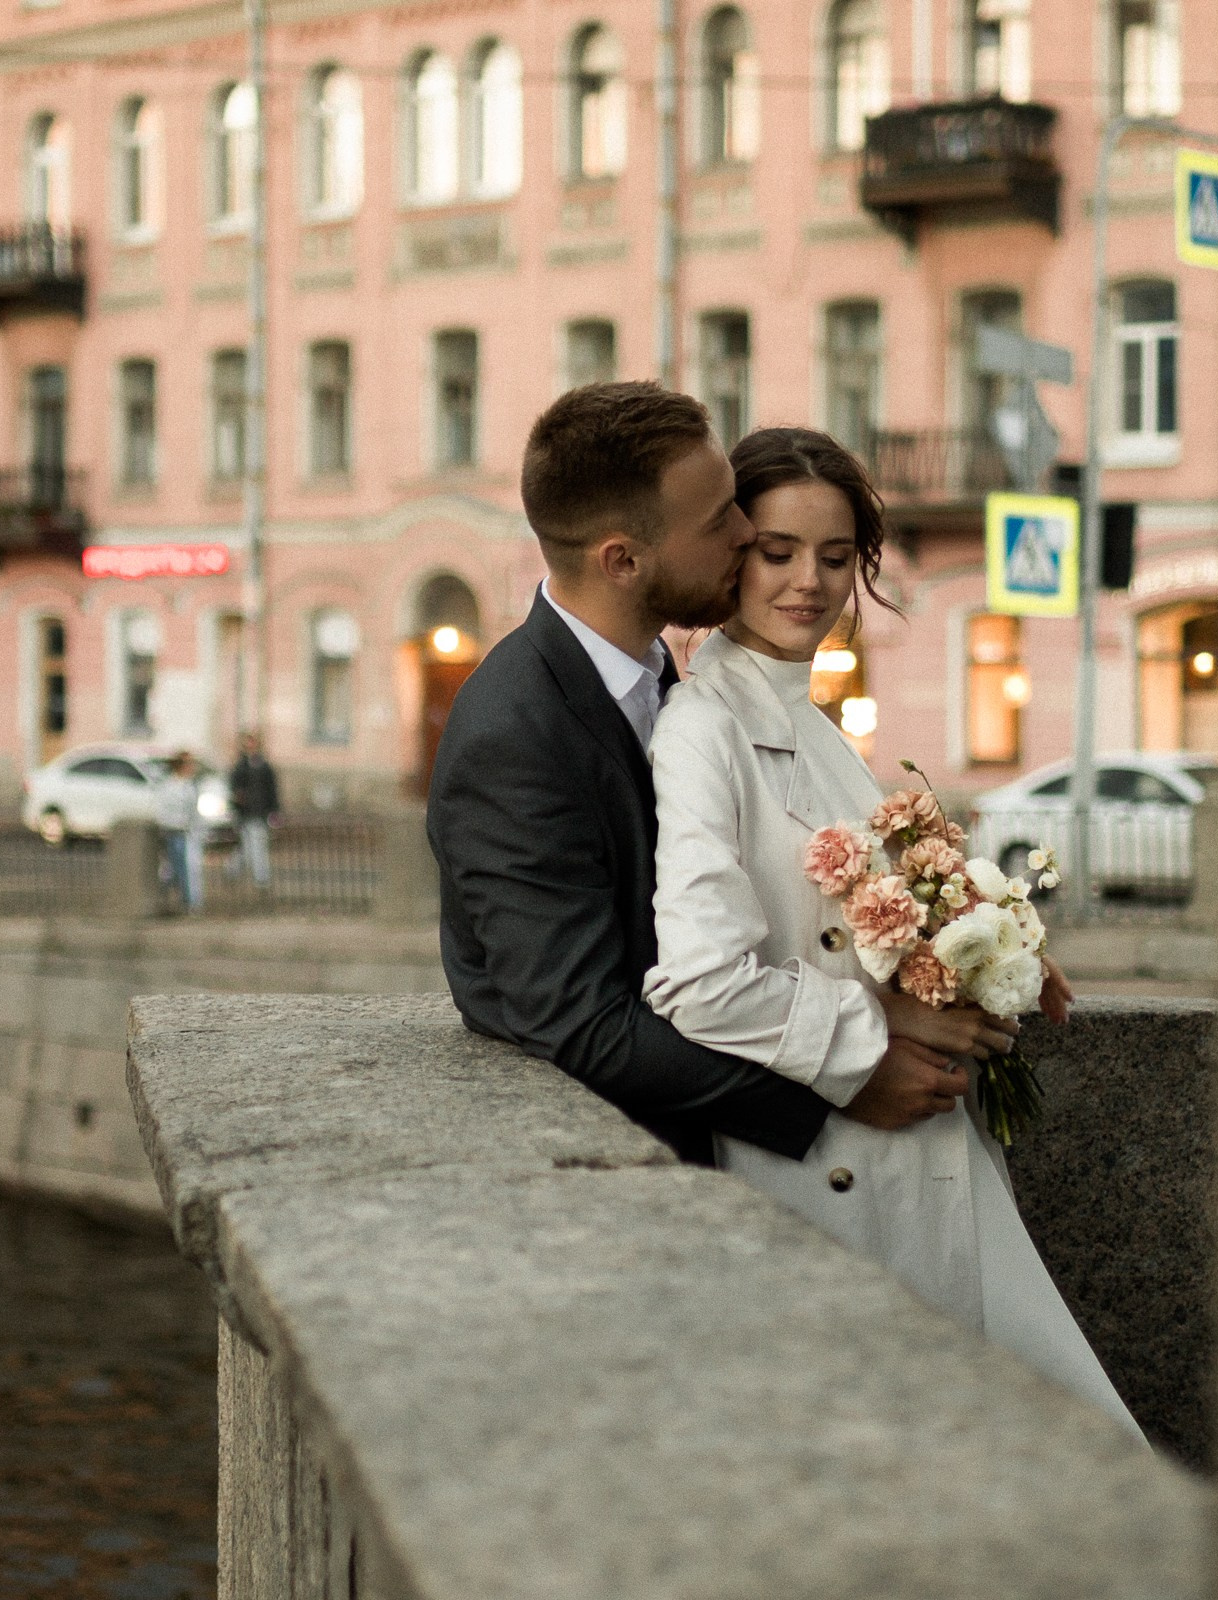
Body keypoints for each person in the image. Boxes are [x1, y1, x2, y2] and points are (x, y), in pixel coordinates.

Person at [641, 425, 1144, 1434]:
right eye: (779, 551)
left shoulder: (821, 724)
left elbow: (870, 915)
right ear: (732, 550)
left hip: (915, 1157)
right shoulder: (704, 727)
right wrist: (884, 1035)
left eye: (837, 558)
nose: (810, 583)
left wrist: (993, 950)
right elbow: (700, 985)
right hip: (835, 1163)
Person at [428, 383, 962, 1171]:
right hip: (615, 1184)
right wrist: (845, 1085)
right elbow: (584, 1025)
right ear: (623, 559)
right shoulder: (512, 736)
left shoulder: (661, 675)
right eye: (720, 521)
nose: (746, 532)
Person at [152, 751, 207, 912]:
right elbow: (163, 810)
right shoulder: (169, 786)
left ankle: (191, 902)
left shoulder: (190, 785)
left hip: (187, 833)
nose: (192, 767)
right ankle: (180, 900)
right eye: (189, 764)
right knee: (175, 869)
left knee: (187, 869)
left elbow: (194, 812)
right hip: (174, 831)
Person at [228, 734, 280, 892]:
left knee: (255, 845)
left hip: (260, 811)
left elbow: (271, 789)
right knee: (249, 846)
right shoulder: (240, 766)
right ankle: (236, 871)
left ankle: (258, 877)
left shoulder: (264, 766)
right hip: (245, 812)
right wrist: (237, 805)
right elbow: (234, 788)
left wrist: (274, 810)